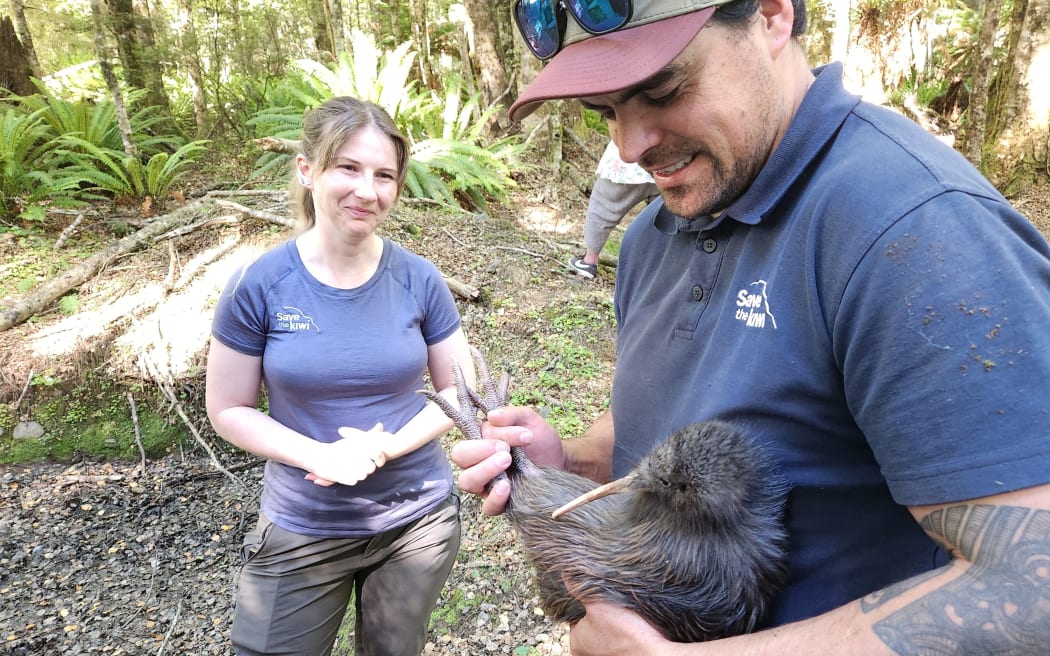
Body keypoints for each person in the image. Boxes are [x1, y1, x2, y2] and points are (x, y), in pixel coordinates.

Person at [457, 1, 1050, 654]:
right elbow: (655, 424)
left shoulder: (914, 228)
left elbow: (1033, 591)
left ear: (771, 17)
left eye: (662, 90)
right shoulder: (658, 234)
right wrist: (567, 461)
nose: (628, 145)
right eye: (605, 112)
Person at [205, 96, 475, 656]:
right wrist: (320, 456)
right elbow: (227, 408)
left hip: (416, 523)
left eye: (384, 175)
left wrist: (386, 447)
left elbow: (462, 391)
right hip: (304, 524)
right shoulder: (258, 284)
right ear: (308, 170)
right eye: (348, 168)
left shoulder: (420, 280)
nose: (367, 190)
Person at [568, 141, 659, 279]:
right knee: (660, 218)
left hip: (629, 160)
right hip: (665, 161)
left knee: (603, 206)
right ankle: (654, 269)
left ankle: (589, 260)